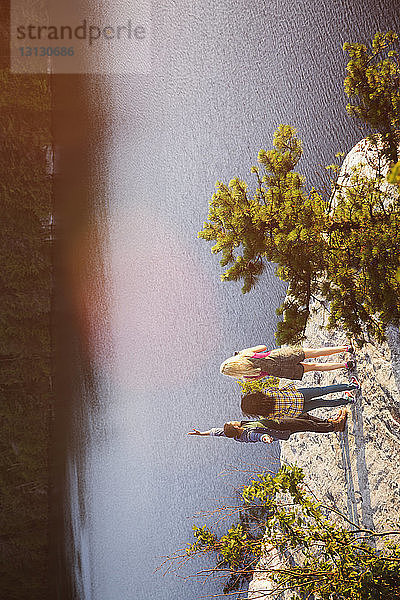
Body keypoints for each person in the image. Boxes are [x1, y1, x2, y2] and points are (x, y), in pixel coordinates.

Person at [187, 410, 348, 444]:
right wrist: (266, 438)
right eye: (231, 422)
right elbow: (258, 437)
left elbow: (217, 432)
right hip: (281, 429)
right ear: (235, 427)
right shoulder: (247, 434)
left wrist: (202, 434)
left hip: (277, 422)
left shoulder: (232, 431)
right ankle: (334, 426)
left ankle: (328, 421)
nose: (232, 420)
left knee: (303, 416)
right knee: (307, 425)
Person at [220, 344, 355, 381]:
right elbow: (263, 347)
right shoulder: (245, 354)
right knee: (316, 352)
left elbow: (264, 375)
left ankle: (345, 365)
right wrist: (243, 351)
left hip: (282, 371)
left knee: (315, 367)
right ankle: (345, 349)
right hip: (282, 356)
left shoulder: (246, 376)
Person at [241, 377, 360, 419]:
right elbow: (282, 390)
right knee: (323, 390)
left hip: (298, 410)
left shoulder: (266, 414)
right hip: (298, 396)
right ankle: (352, 386)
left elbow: (282, 416)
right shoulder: (266, 392)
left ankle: (348, 400)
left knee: (322, 403)